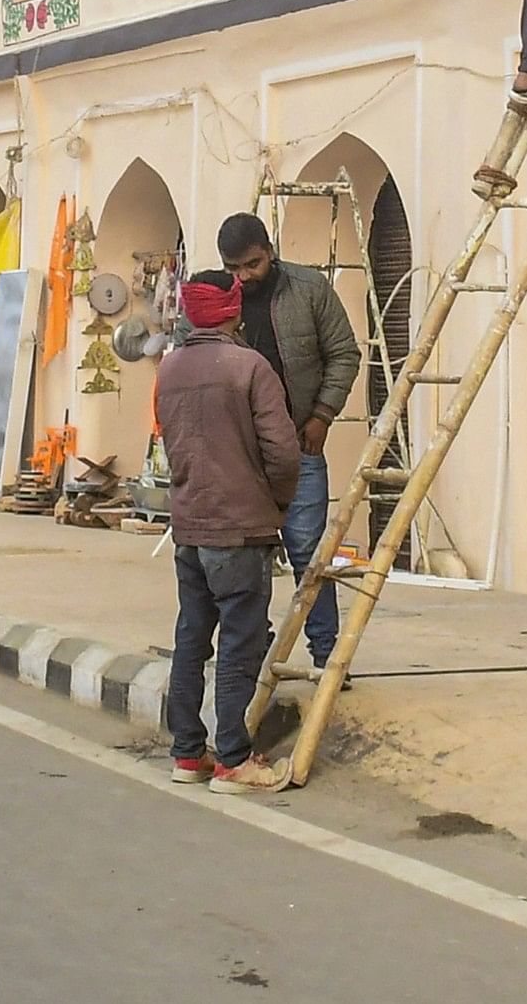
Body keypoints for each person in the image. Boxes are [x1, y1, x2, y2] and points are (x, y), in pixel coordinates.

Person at [155, 267, 301, 792]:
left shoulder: (169, 370)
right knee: (241, 642)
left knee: (192, 638)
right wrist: (277, 503)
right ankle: (234, 759)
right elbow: (283, 453)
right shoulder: (250, 367)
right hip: (240, 529)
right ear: (233, 309)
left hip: (189, 527)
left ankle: (187, 754)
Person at [218, 213, 361, 671]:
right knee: (246, 555)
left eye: (252, 265)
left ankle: (326, 657)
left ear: (270, 251)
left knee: (308, 550)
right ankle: (252, 654)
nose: (243, 277)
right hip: (241, 454)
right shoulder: (216, 299)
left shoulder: (310, 289)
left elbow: (344, 354)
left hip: (301, 446)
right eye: (233, 268)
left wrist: (322, 415)